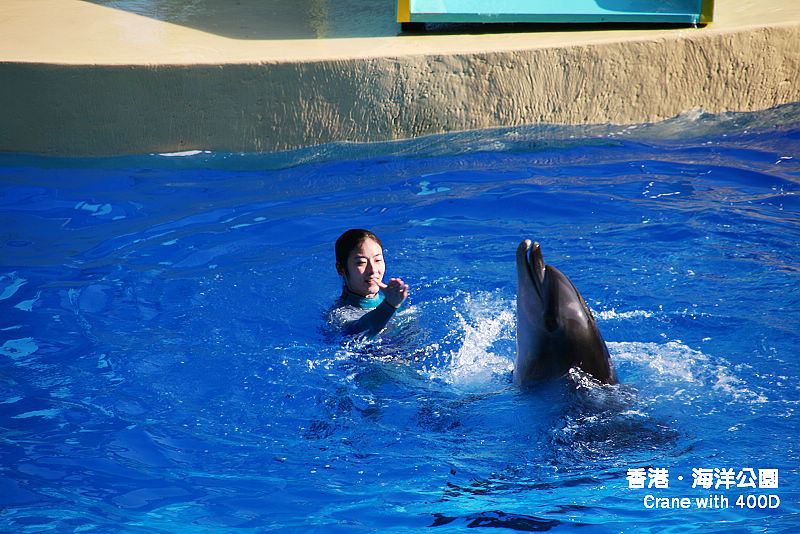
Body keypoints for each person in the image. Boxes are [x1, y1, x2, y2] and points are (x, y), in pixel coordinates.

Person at [332, 229, 409, 337]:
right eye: (361, 262)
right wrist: (389, 306)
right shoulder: (339, 314)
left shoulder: (393, 299)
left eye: (377, 260)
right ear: (340, 269)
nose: (373, 270)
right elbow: (361, 329)